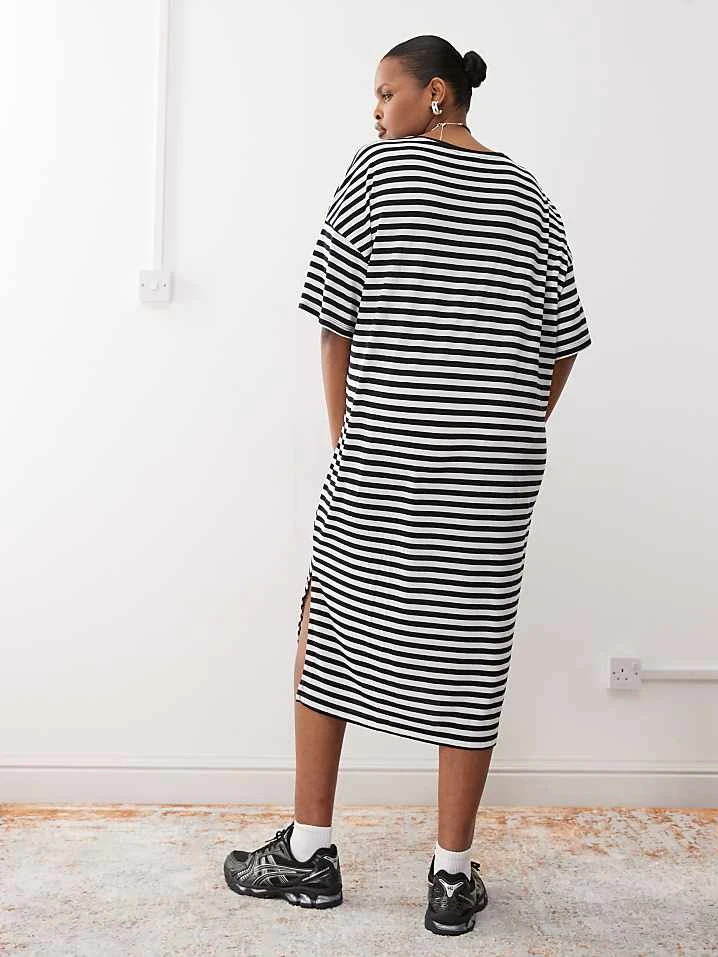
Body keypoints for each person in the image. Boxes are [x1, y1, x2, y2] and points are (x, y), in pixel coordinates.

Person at [224, 34, 592, 936]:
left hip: (385, 457)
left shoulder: (378, 170)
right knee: (473, 648)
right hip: (495, 475)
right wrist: (503, 433)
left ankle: (309, 852)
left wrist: (348, 439)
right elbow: (563, 345)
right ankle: (451, 877)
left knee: (327, 623)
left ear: (434, 93)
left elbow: (334, 323)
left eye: (385, 94)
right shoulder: (531, 195)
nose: (376, 112)